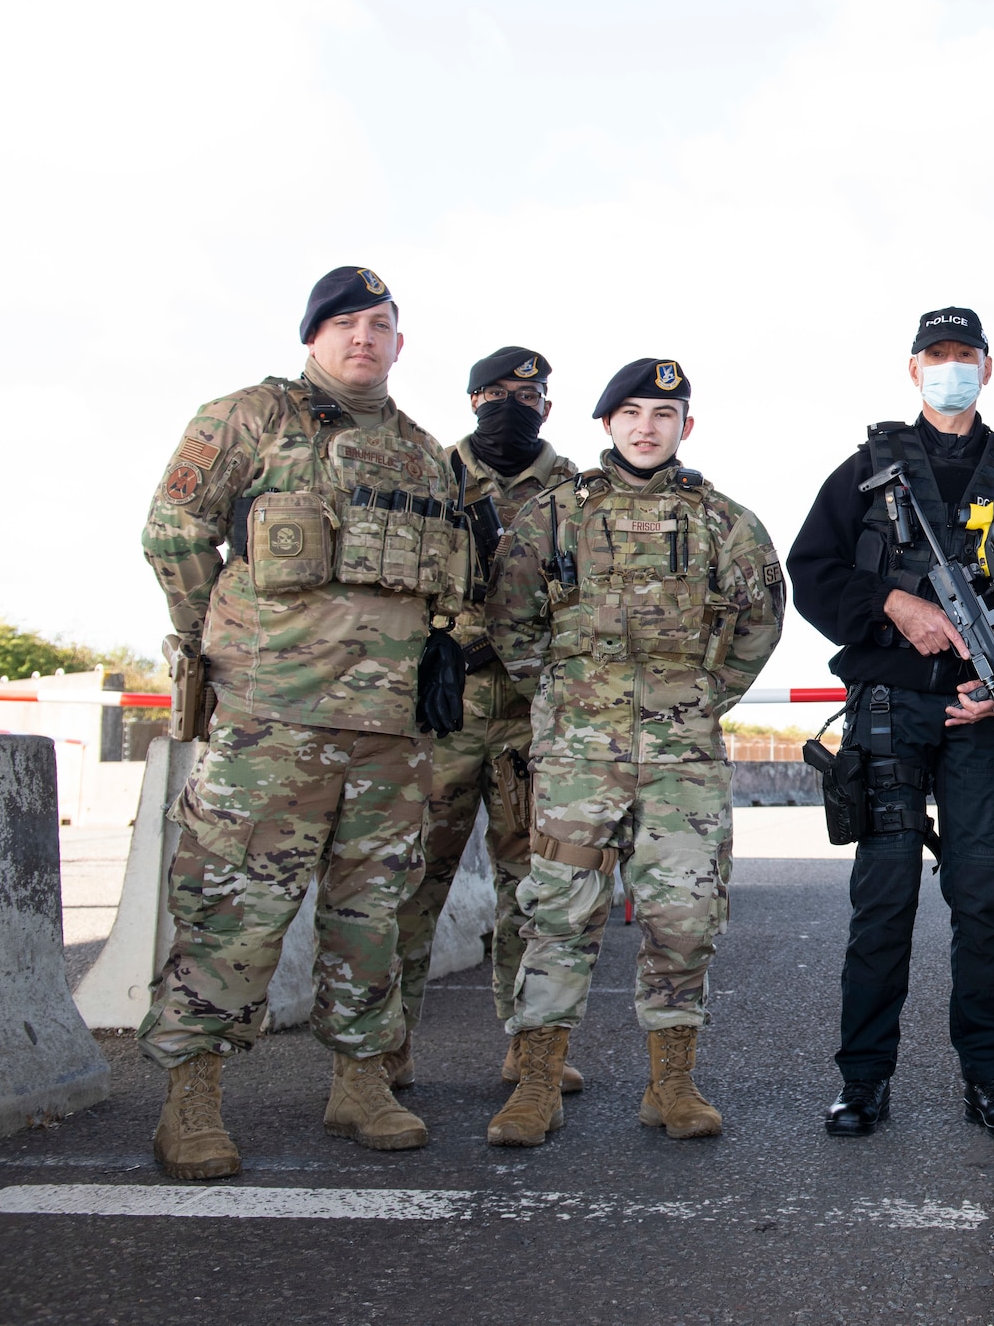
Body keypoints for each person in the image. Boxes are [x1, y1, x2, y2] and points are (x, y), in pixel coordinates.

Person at [140, 266, 460, 1178]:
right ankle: (191, 1100)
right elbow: (173, 530)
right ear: (312, 335)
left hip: (391, 731)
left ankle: (361, 1081)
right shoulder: (249, 418)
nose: (364, 337)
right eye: (346, 322)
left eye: (381, 324)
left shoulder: (424, 452)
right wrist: (223, 644)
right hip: (272, 720)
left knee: (374, 911)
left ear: (400, 343)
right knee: (232, 908)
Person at [787, 307, 994, 1141]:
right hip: (889, 709)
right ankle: (863, 1080)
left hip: (981, 718)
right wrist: (889, 601)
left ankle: (992, 1078)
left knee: (985, 901)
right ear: (913, 369)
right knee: (882, 900)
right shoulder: (866, 470)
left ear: (987, 370)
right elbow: (808, 571)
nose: (950, 368)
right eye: (937, 356)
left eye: (965, 356)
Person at [483, 358, 783, 1146]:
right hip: (580, 758)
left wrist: (704, 698)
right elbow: (511, 618)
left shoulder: (725, 521)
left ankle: (671, 1084)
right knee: (559, 914)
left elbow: (761, 618)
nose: (648, 427)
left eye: (664, 413)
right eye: (632, 413)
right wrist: (557, 698)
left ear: (687, 426)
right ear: (606, 424)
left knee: (684, 917)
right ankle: (537, 1083)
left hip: (682, 760)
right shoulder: (555, 516)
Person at [388, 347, 581, 1093]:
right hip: (446, 708)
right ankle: (387, 1044)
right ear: (472, 401)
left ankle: (530, 1047)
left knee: (530, 886)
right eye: (496, 394)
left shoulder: (571, 488)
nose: (511, 405)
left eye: (525, 394)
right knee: (414, 879)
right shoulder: (432, 473)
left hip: (532, 713)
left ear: (547, 406)